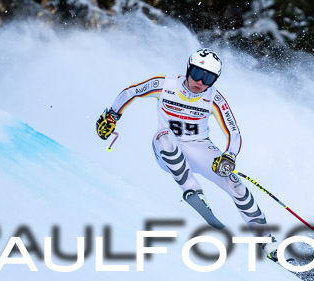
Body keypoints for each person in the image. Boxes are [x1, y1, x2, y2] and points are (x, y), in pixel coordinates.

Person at [96, 48, 279, 261]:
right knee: (164, 136)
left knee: (235, 183)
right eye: (197, 74)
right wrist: (111, 116)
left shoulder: (214, 98)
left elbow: (234, 132)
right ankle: (193, 191)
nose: (200, 82)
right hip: (166, 149)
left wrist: (229, 156)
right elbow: (131, 92)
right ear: (188, 69)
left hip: (199, 147)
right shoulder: (165, 84)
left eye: (208, 78)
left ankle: (266, 240)